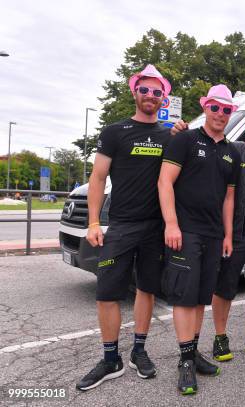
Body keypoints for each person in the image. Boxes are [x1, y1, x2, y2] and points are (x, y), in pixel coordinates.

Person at [77, 64, 171, 391]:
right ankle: (110, 358)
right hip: (120, 225)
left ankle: (139, 351)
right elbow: (98, 178)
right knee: (107, 292)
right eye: (144, 89)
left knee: (147, 289)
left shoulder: (169, 135)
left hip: (154, 228)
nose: (150, 95)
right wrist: (92, 221)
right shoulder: (114, 132)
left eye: (156, 91)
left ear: (163, 97)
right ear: (135, 92)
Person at [171, 105, 245, 361]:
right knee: (224, 288)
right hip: (234, 234)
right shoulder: (236, 150)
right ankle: (220, 338)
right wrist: (179, 132)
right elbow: (209, 147)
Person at [158, 84, 241, 395]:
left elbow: (229, 199)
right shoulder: (186, 139)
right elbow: (165, 181)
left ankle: (192, 353)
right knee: (184, 296)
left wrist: (228, 234)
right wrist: (171, 224)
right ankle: (184, 361)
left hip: (213, 234)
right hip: (185, 231)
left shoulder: (231, 152)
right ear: (206, 107)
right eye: (215, 107)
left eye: (226, 109)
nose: (220, 114)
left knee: (201, 298)